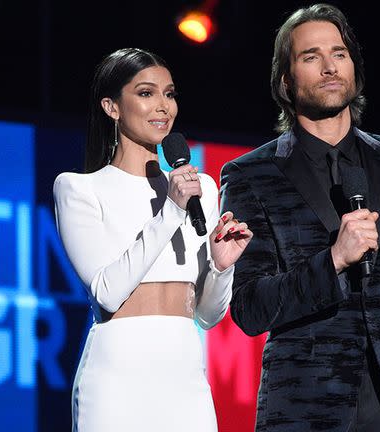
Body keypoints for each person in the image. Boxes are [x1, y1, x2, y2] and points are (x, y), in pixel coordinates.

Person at [220, 4, 380, 432]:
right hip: (304, 409)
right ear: (285, 80)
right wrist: (332, 260)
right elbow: (249, 307)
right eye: (311, 56)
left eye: (339, 53)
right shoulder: (251, 175)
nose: (329, 66)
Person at [54, 48, 253, 431]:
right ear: (112, 107)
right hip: (116, 379)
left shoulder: (202, 188)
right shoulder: (79, 188)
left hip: (185, 378)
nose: (163, 106)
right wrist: (172, 211)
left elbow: (208, 316)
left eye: (170, 94)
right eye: (146, 93)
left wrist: (221, 266)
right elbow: (107, 292)